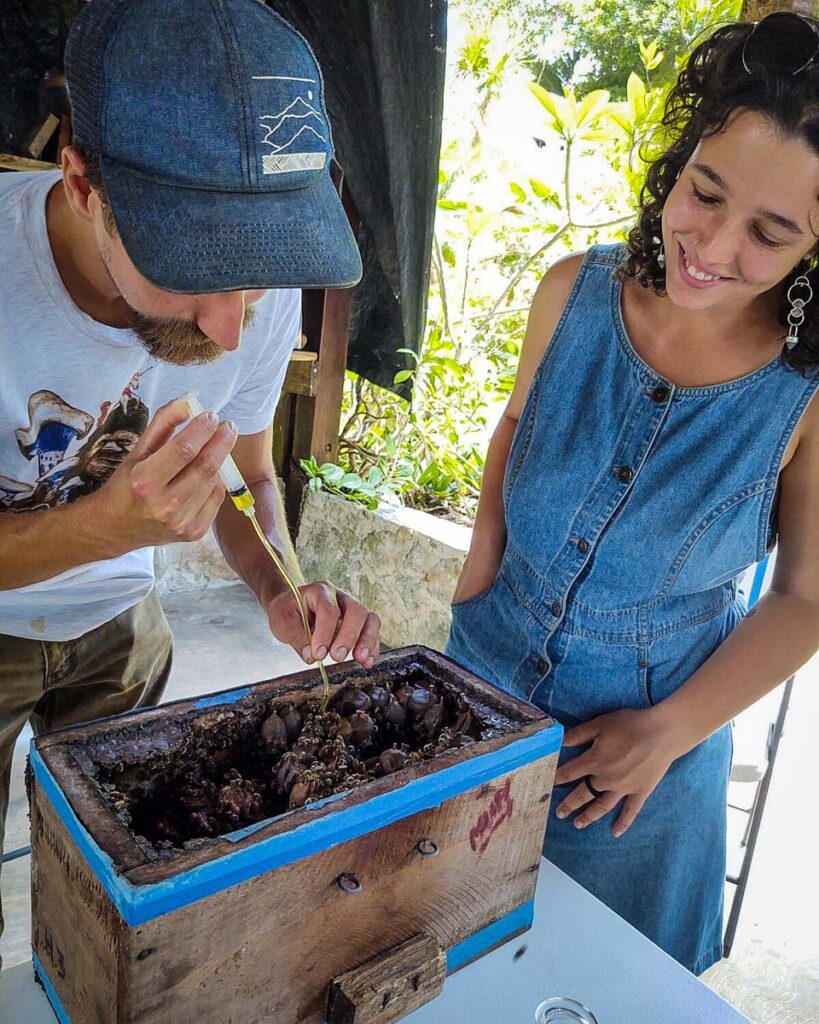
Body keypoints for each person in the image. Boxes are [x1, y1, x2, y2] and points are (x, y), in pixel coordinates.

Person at [0, 0, 381, 955]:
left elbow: (247, 474)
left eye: (250, 281)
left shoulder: (256, 285)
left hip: (123, 637)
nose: (227, 327)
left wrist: (279, 587)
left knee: (110, 886)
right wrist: (110, 526)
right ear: (83, 181)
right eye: (192, 268)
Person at [446, 12, 819, 974]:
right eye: (704, 192)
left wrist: (665, 735)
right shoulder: (571, 290)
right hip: (474, 703)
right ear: (680, 159)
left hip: (634, 778)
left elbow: (805, 598)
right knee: (441, 959)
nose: (712, 244)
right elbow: (515, 431)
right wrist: (476, 584)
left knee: (602, 986)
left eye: (771, 234)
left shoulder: (805, 399)